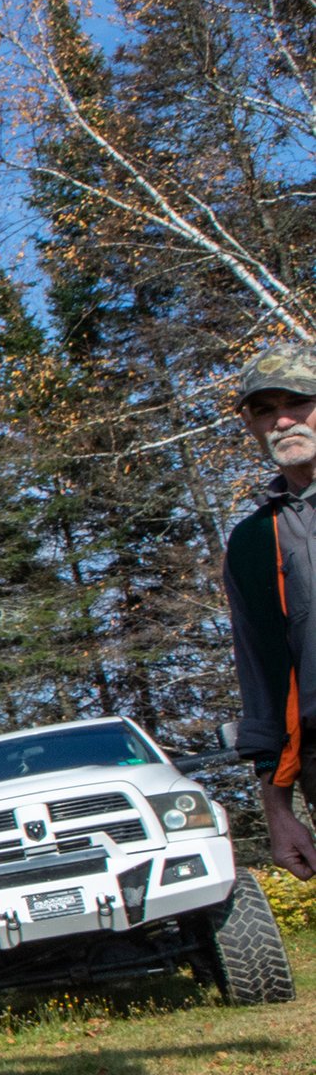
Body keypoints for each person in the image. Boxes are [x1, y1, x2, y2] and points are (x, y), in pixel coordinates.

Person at [224, 344, 316, 880]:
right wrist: (277, 809)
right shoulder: (255, 540)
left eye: (298, 401)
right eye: (263, 410)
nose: (281, 420)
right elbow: (262, 683)